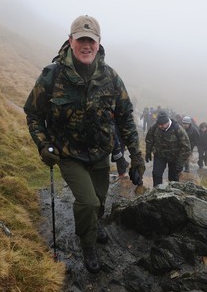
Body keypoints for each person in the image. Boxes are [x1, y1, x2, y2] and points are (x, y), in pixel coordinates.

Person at [24, 15, 145, 274]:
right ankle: (87, 244)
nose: (86, 45)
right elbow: (33, 114)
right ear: (71, 41)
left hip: (100, 154)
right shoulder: (51, 76)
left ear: (99, 44)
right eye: (81, 40)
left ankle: (94, 223)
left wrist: (136, 156)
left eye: (91, 40)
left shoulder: (111, 78)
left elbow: (125, 118)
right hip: (69, 154)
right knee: (88, 203)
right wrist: (43, 145)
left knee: (100, 201)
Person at [145, 110, 191, 186]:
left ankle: (172, 194)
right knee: (156, 174)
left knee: (173, 178)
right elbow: (149, 139)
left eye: (162, 125)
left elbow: (186, 148)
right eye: (159, 125)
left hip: (174, 158)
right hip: (159, 155)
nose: (160, 126)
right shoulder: (155, 126)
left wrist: (180, 163)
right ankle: (157, 192)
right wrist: (148, 151)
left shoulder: (178, 129)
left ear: (167, 122)